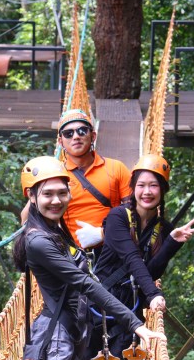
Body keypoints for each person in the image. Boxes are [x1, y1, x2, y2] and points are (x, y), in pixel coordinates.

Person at [13, 156, 166, 360]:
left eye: (61, 193)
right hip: (59, 340)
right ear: (31, 197)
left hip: (73, 336)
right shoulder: (39, 241)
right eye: (47, 194)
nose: (56, 200)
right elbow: (86, 284)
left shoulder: (55, 228)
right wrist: (134, 323)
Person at [80, 154, 194, 360]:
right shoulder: (116, 218)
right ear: (133, 188)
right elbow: (133, 261)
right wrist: (154, 295)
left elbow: (151, 270)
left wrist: (173, 242)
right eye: (142, 185)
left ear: (162, 191)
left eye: (154, 186)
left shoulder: (162, 227)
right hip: (99, 304)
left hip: (128, 311)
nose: (147, 191)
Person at [21, 109, 132, 257]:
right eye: (68, 133)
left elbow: (136, 215)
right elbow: (27, 219)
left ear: (93, 136)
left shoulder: (116, 168)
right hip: (74, 256)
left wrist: (103, 233)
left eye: (82, 131)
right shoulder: (54, 175)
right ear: (60, 141)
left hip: (115, 251)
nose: (76, 137)